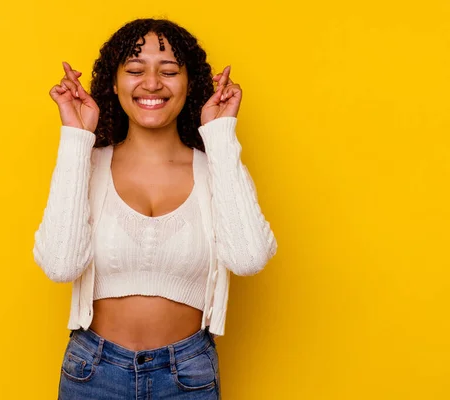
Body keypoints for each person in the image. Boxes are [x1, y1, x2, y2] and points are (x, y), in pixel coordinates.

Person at [33, 18, 277, 399]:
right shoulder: (88, 163)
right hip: (92, 374)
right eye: (134, 70)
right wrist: (76, 138)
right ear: (114, 84)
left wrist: (221, 135)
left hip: (188, 377)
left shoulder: (214, 169)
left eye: (168, 71)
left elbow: (248, 257)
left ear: (190, 84)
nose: (151, 83)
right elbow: (60, 265)